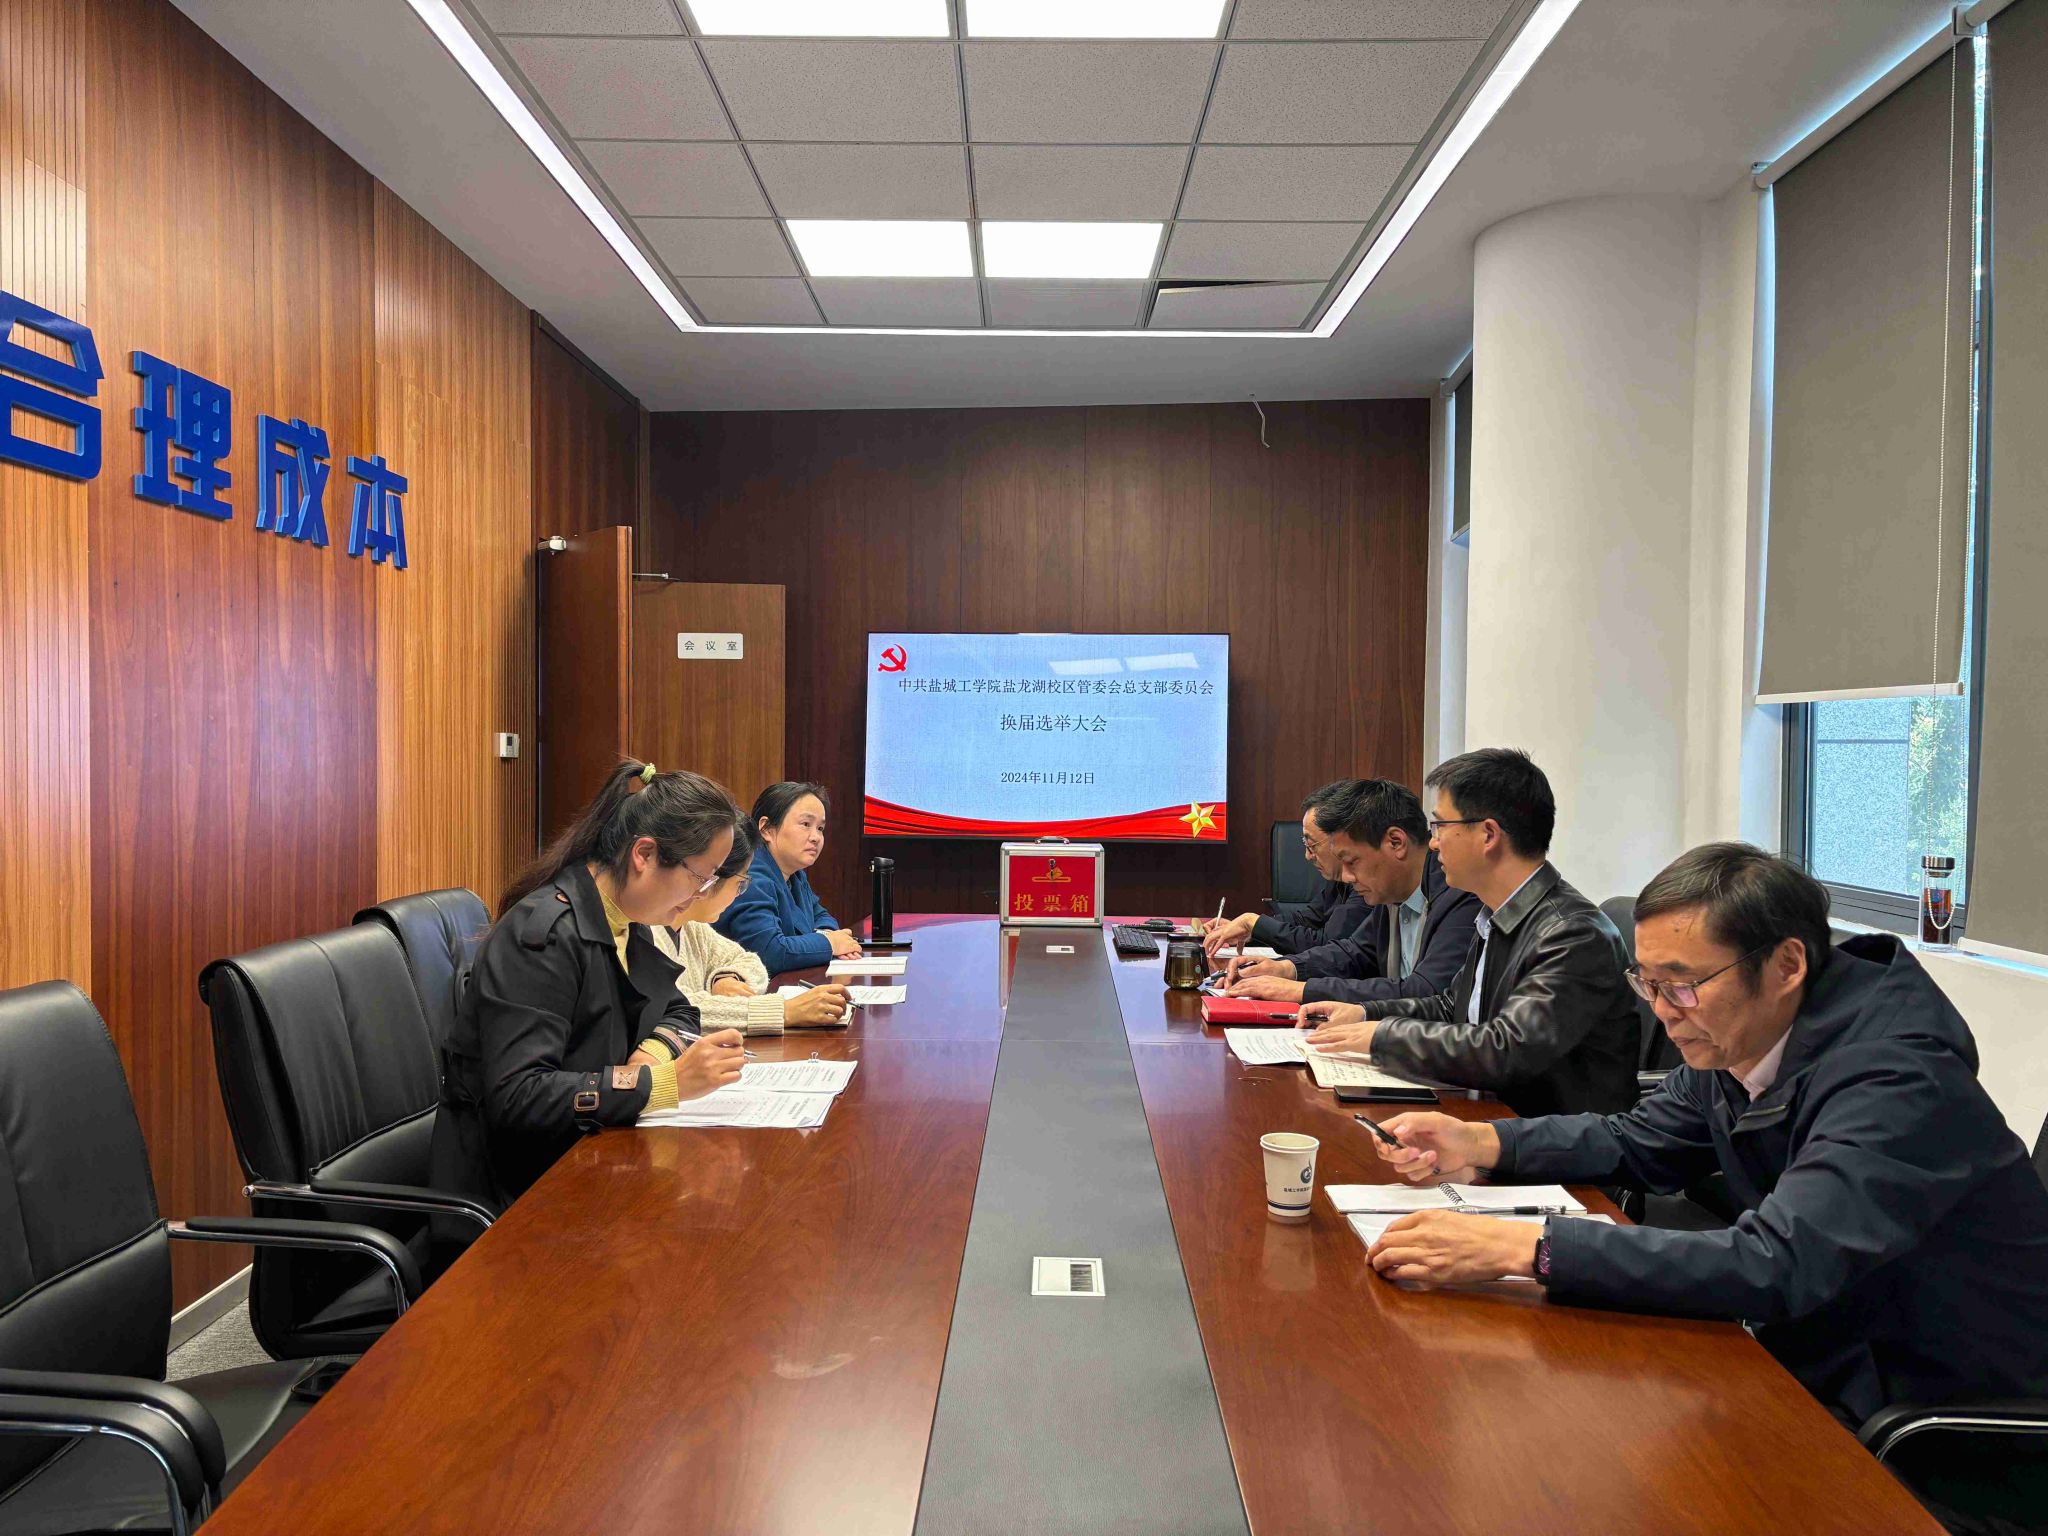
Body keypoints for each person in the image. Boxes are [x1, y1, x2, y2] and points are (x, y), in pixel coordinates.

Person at [1361, 842, 2048, 1442]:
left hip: (1929, 1417)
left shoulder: (1896, 1079)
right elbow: (1639, 1140)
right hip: (1818, 1356)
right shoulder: (1747, 1033)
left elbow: (1776, 1262)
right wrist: (1481, 1142)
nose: (1663, 1012)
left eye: (1682, 985)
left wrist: (1529, 1248)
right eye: (1649, 983)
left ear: (1786, 965)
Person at [433, 761, 748, 1211]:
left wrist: (650, 1056)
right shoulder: (544, 937)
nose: (702, 895)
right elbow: (520, 1096)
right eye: (701, 877)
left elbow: (680, 1011)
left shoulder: (625, 919)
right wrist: (659, 1084)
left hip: (591, 1157)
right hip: (518, 1195)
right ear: (644, 855)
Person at [1298, 748, 1639, 1117]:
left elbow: (1506, 1050)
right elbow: (1451, 1006)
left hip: (1547, 1135)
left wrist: (1384, 1036)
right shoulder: (1497, 914)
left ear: (1488, 834)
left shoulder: (1571, 933)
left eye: (1440, 826)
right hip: (1493, 1116)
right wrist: (1364, 1013)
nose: (1433, 842)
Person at [1223, 778, 1480, 1006]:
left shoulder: (1460, 892)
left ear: (1396, 842)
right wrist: (1287, 969)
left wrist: (1302, 990)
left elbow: (1426, 992)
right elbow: (1355, 952)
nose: (1346, 877)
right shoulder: (1391, 893)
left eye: (1352, 861)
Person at [653, 829, 853, 1034]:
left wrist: (727, 977)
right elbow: (677, 1009)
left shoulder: (694, 927)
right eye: (740, 884)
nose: (815, 837)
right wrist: (784, 1011)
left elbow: (749, 960)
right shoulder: (649, 933)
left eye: (821, 828)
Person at [1202, 782, 1370, 960]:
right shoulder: (1339, 881)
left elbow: (1328, 947)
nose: (1307, 856)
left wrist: (1253, 924)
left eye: (1311, 845)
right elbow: (1307, 920)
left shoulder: (1367, 884)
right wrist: (1250, 929)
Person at [715, 782, 860, 973]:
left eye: (820, 828)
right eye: (806, 824)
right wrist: (830, 943)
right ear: (766, 829)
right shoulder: (751, 875)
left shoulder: (795, 874)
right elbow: (769, 953)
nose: (816, 837)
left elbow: (821, 915)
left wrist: (828, 937)